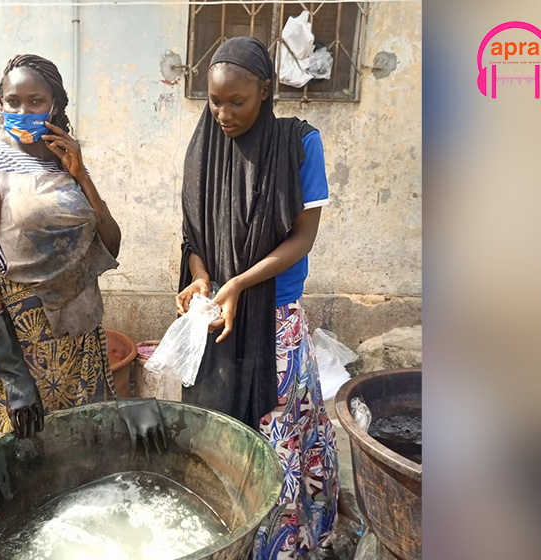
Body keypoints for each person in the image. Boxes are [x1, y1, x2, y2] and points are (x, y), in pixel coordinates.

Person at [176, 37, 339, 558]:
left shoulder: (299, 143)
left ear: (265, 92)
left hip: (274, 319)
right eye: (214, 101)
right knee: (220, 429)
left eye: (237, 102)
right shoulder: (204, 147)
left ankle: (281, 543)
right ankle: (227, 534)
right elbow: (193, 236)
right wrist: (202, 278)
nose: (223, 113)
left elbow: (302, 238)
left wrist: (239, 283)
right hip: (218, 317)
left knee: (275, 432)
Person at [0, 54, 121, 456]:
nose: (23, 111)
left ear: (55, 105)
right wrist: (15, 378)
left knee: (77, 464)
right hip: (15, 348)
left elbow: (110, 244)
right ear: (1, 103)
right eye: (13, 102)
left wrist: (82, 175)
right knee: (16, 470)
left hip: (77, 344)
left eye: (35, 101)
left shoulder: (67, 165)